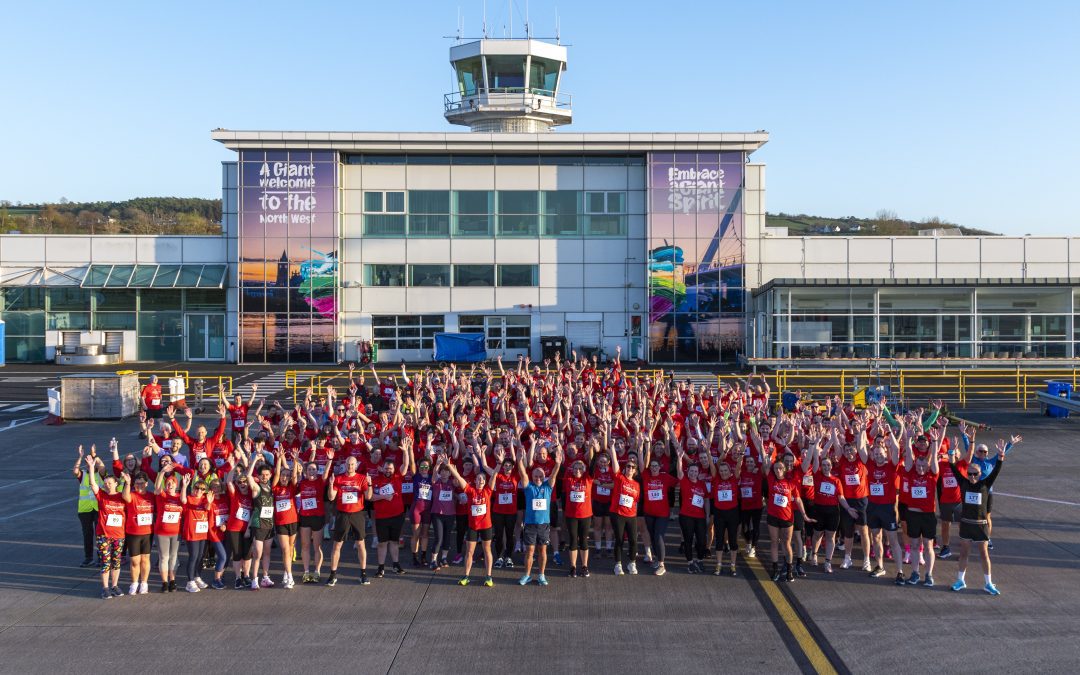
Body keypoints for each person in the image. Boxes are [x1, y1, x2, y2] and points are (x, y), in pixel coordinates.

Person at [951, 441, 1006, 595]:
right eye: (970, 473)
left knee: (984, 554)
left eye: (975, 474)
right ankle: (960, 580)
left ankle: (988, 583)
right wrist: (951, 452)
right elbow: (953, 468)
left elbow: (997, 470)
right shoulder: (963, 483)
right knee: (964, 553)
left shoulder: (985, 484)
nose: (972, 476)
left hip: (981, 525)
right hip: (966, 524)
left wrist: (1001, 455)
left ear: (980, 474)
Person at [761, 447, 814, 582]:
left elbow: (798, 500)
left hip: (788, 517)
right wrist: (765, 451)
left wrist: (805, 515)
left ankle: (792, 569)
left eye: (781, 468)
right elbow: (766, 463)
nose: (778, 470)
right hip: (773, 516)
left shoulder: (792, 481)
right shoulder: (771, 478)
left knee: (788, 542)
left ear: (784, 468)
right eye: (777, 468)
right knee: (774, 542)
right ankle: (776, 570)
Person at [445, 450, 497, 587]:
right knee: (469, 551)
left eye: (483, 480)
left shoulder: (488, 490)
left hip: (486, 526)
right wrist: (450, 466)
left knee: (487, 550)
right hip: (473, 526)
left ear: (485, 482)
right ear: (475, 480)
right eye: (478, 479)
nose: (480, 481)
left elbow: (494, 476)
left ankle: (489, 576)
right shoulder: (470, 490)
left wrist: (498, 464)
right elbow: (460, 478)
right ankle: (466, 575)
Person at [516, 445, 563, 585]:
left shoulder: (547, 486)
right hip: (530, 524)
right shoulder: (528, 486)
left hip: (544, 525)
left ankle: (541, 575)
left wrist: (558, 463)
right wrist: (519, 461)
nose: (538, 478)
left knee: (542, 551)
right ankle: (527, 575)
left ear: (544, 477)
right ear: (532, 477)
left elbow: (554, 474)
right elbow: (522, 473)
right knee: (530, 551)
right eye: (536, 476)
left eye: (540, 476)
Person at [902, 427, 942, 587]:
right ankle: (915, 573)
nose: (919, 468)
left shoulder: (932, 474)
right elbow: (909, 459)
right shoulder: (911, 471)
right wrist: (908, 439)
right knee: (914, 545)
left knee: (928, 545)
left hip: (928, 515)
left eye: (922, 466)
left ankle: (929, 575)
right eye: (918, 466)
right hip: (913, 514)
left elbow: (933, 460)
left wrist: (934, 441)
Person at [326, 455, 374, 586]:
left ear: (356, 465)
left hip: (357, 514)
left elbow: (369, 496)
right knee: (337, 545)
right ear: (345, 465)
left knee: (360, 544)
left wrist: (370, 484)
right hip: (342, 515)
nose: (350, 466)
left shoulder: (362, 478)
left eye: (352, 464)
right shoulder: (339, 478)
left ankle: (363, 574)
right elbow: (331, 497)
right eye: (348, 464)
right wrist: (330, 485)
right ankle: (332, 575)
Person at [83, 453, 126, 599]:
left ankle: (115, 585)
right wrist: (90, 466)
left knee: (117, 561)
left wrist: (127, 481)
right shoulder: (102, 496)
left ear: (116, 484)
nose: (107, 485)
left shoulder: (122, 497)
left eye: (110, 482)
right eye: (105, 483)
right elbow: (93, 485)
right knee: (106, 562)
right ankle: (105, 588)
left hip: (118, 535)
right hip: (104, 535)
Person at [371, 438, 413, 578]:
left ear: (393, 469)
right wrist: (384, 497)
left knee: (394, 542)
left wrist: (406, 451)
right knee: (382, 543)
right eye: (386, 468)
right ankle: (381, 567)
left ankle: (396, 565)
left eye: (390, 468)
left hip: (397, 515)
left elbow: (406, 465)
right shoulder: (376, 480)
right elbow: (370, 497)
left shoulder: (397, 477)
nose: (388, 470)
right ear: (382, 468)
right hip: (382, 517)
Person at [608, 434, 643, 576]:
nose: (629, 468)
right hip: (618, 513)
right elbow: (615, 465)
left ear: (635, 471)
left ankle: (632, 563)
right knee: (620, 539)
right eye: (628, 466)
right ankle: (618, 564)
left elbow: (636, 501)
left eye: (632, 467)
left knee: (634, 541)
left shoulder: (636, 484)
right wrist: (612, 449)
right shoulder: (620, 478)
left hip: (631, 515)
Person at [296, 452, 333, 583]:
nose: (312, 471)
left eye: (314, 469)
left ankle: (317, 571)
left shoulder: (320, 481)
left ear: (317, 471)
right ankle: (306, 572)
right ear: (306, 471)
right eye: (310, 469)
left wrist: (329, 460)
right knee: (305, 545)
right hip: (305, 517)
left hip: (318, 517)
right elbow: (297, 473)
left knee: (317, 547)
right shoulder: (302, 482)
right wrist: (297, 462)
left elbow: (326, 472)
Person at [270, 448, 301, 589]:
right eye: (283, 475)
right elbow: (276, 473)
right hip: (280, 523)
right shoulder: (275, 488)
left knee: (290, 548)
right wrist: (279, 459)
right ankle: (290, 576)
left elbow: (295, 477)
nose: (284, 477)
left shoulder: (292, 488)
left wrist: (295, 460)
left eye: (286, 476)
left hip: (293, 521)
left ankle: (285, 571)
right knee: (285, 549)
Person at [120, 467, 154, 595]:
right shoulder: (132, 495)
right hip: (133, 533)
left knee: (145, 559)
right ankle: (134, 582)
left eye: (141, 483)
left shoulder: (151, 496)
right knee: (135, 561)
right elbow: (125, 496)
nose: (139, 485)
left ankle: (144, 582)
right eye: (137, 483)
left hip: (147, 533)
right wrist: (128, 483)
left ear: (146, 483)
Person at [180, 473, 214, 592]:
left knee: (200, 557)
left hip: (202, 533)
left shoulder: (205, 499)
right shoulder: (189, 498)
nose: (199, 491)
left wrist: (209, 502)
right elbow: (183, 500)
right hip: (192, 533)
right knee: (193, 556)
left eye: (202, 489)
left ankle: (197, 577)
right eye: (196, 488)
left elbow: (208, 509)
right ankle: (190, 582)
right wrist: (184, 486)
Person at [153, 466, 185, 592]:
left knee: (173, 557)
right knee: (164, 557)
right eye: (168, 483)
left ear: (176, 485)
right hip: (162, 532)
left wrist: (185, 486)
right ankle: (164, 582)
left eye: (172, 483)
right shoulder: (161, 495)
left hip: (176, 533)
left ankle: (172, 580)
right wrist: (161, 472)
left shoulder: (179, 497)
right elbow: (156, 487)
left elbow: (184, 500)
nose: (170, 485)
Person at [224, 460, 255, 589]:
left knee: (247, 553)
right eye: (240, 482)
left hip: (247, 529)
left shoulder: (252, 494)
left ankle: (246, 575)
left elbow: (254, 513)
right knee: (237, 553)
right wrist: (234, 466)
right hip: (234, 528)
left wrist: (248, 529)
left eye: (244, 482)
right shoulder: (234, 493)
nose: (242, 484)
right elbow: (229, 481)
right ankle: (238, 578)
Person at [561, 458, 593, 578]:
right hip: (571, 515)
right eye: (575, 468)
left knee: (583, 540)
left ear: (584, 470)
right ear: (572, 470)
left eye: (580, 469)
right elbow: (562, 467)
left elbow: (592, 466)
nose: (577, 470)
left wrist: (592, 450)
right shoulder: (569, 478)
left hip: (585, 515)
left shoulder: (587, 479)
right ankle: (573, 566)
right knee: (573, 540)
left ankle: (584, 566)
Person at [73, 445, 101, 568]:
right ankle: (88, 557)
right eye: (87, 461)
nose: (90, 463)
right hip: (84, 510)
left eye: (92, 461)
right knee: (87, 534)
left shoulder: (101, 474)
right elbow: (75, 471)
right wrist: (80, 457)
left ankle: (101, 557)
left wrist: (94, 455)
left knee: (100, 534)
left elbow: (102, 465)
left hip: (98, 508)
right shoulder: (83, 475)